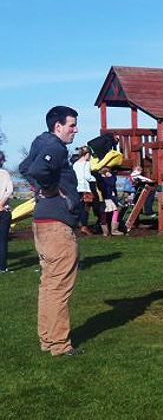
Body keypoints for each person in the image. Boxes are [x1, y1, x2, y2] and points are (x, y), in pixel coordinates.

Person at [18, 106, 82, 356]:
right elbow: (35, 171)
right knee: (59, 287)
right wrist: (53, 190)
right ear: (58, 127)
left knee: (48, 285)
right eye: (72, 125)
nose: (75, 130)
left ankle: (47, 339)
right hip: (57, 225)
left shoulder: (41, 144)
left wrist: (43, 189)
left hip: (42, 222)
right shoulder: (55, 146)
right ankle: (60, 345)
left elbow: (24, 168)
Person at [71, 146, 94, 235]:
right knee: (86, 209)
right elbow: (87, 176)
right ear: (87, 154)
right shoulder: (86, 163)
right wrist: (95, 179)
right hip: (85, 189)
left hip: (77, 188)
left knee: (79, 208)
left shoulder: (75, 164)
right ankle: (84, 226)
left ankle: (79, 224)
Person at [98, 166, 124, 236]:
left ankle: (109, 231)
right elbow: (111, 184)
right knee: (107, 213)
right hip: (106, 198)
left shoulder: (101, 179)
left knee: (112, 212)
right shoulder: (102, 180)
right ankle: (110, 231)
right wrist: (110, 177)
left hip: (108, 198)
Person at [0, 152, 12, 273]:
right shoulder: (4, 174)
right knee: (2, 240)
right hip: (4, 209)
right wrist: (1, 203)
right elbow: (9, 190)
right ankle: (2, 267)